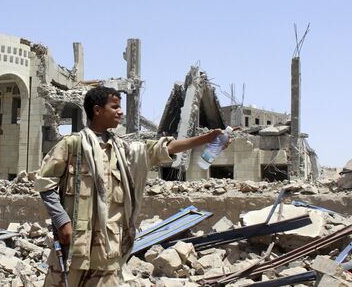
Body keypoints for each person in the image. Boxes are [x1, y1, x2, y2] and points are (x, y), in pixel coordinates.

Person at [35, 86, 229, 286]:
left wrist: (206, 139)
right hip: (75, 247)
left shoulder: (124, 150)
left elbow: (164, 147)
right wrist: (62, 221)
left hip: (108, 251)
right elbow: (45, 183)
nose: (121, 112)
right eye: (115, 107)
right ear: (97, 110)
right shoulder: (72, 145)